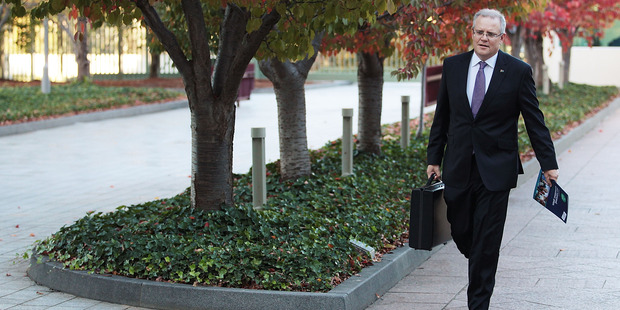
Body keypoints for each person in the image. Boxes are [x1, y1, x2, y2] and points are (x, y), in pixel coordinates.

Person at [426, 8, 559, 310]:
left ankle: (478, 303)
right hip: (458, 165)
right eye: (479, 32)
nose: (484, 38)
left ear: (502, 37)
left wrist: (549, 164)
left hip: (496, 169)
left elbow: (534, 121)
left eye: (490, 33)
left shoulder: (517, 71)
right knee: (460, 229)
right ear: (471, 33)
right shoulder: (454, 66)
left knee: (487, 241)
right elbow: (442, 117)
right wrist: (434, 157)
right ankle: (480, 256)